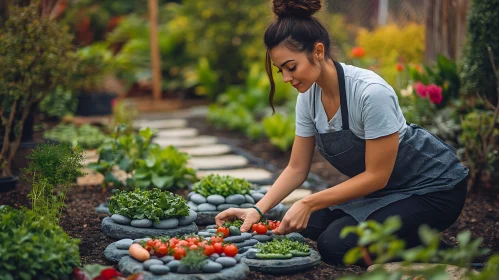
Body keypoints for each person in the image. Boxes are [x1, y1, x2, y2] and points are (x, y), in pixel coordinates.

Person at [215, 0, 469, 265]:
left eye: (291, 67)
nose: (286, 78)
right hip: (389, 192)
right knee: (308, 224)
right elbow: (296, 169)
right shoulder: (308, 97)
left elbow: (376, 176)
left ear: (318, 51)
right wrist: (257, 209)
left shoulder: (370, 93)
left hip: (435, 189)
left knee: (335, 245)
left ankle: (431, 250)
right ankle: (409, 234)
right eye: (281, 71)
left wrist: (310, 201)